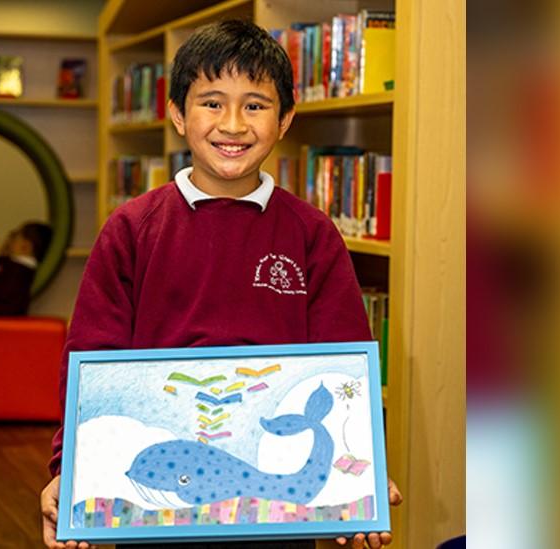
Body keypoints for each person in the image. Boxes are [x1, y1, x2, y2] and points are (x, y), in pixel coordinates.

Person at [40, 20, 401, 549]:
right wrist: (68, 468)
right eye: (212, 103)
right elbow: (91, 362)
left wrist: (361, 474)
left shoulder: (312, 234)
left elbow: (344, 359)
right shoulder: (132, 229)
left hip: (277, 521)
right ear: (177, 114)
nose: (232, 124)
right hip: (158, 524)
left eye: (255, 105)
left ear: (285, 120)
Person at [0, 221, 51, 317]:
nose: (9, 241)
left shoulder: (18, 273)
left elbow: (11, 307)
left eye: (14, 237)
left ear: (25, 246)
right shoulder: (9, 266)